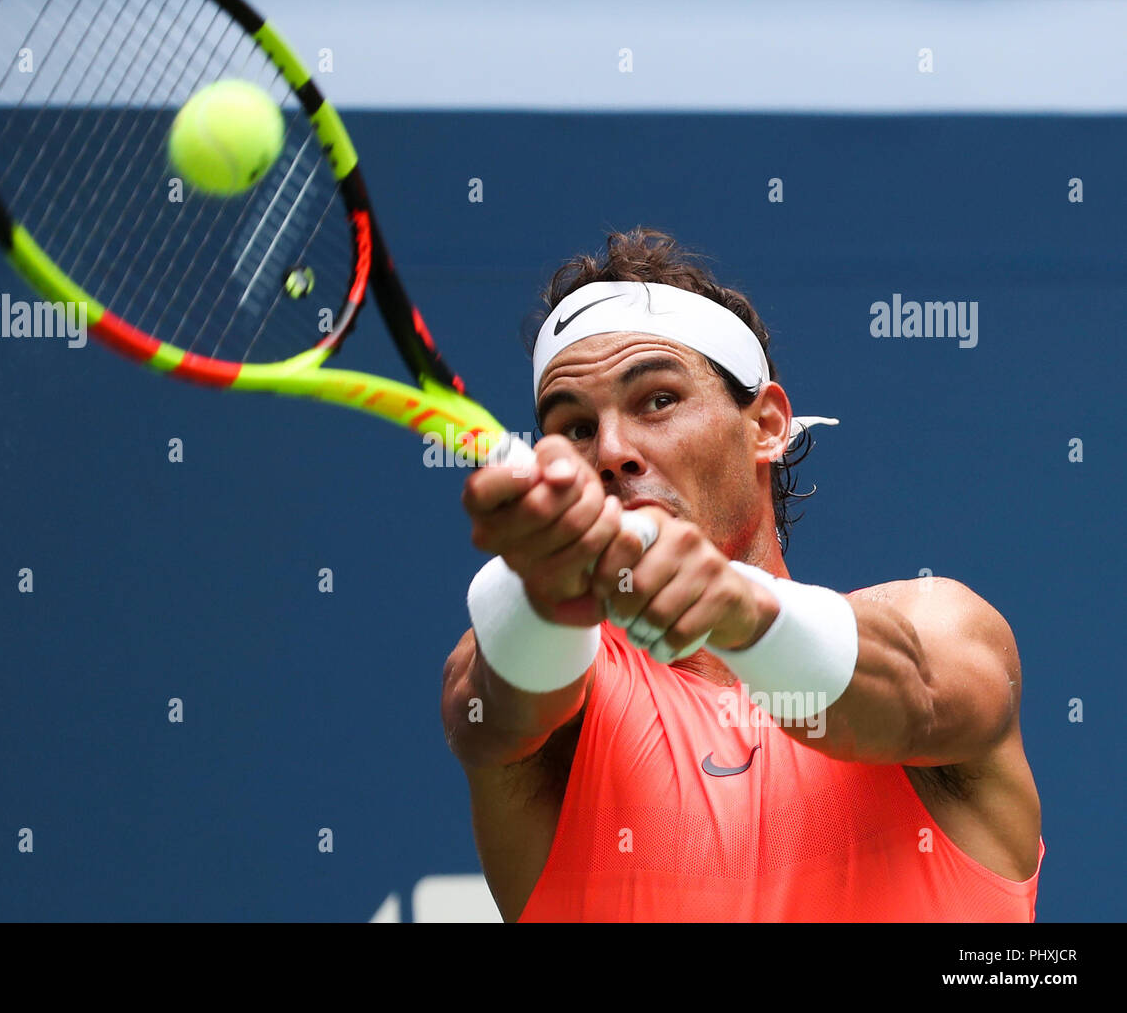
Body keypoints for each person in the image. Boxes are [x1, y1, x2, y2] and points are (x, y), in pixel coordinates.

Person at [441, 227, 1043, 922]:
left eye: (657, 401)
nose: (611, 450)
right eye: (574, 427)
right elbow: (491, 710)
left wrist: (738, 610)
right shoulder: (550, 680)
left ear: (767, 425)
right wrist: (539, 586)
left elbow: (914, 692)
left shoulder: (935, 622)